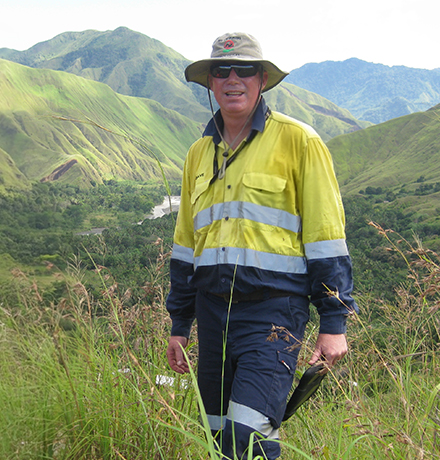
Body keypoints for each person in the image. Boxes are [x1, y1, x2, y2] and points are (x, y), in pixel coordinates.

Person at [166, 32, 358, 460]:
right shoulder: (198, 154)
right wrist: (180, 325)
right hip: (212, 314)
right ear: (210, 82)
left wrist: (334, 321)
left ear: (263, 78)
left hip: (274, 312)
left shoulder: (299, 142)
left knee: (248, 439)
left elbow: (327, 237)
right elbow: (185, 247)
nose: (233, 78)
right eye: (222, 70)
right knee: (217, 438)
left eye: (245, 69)